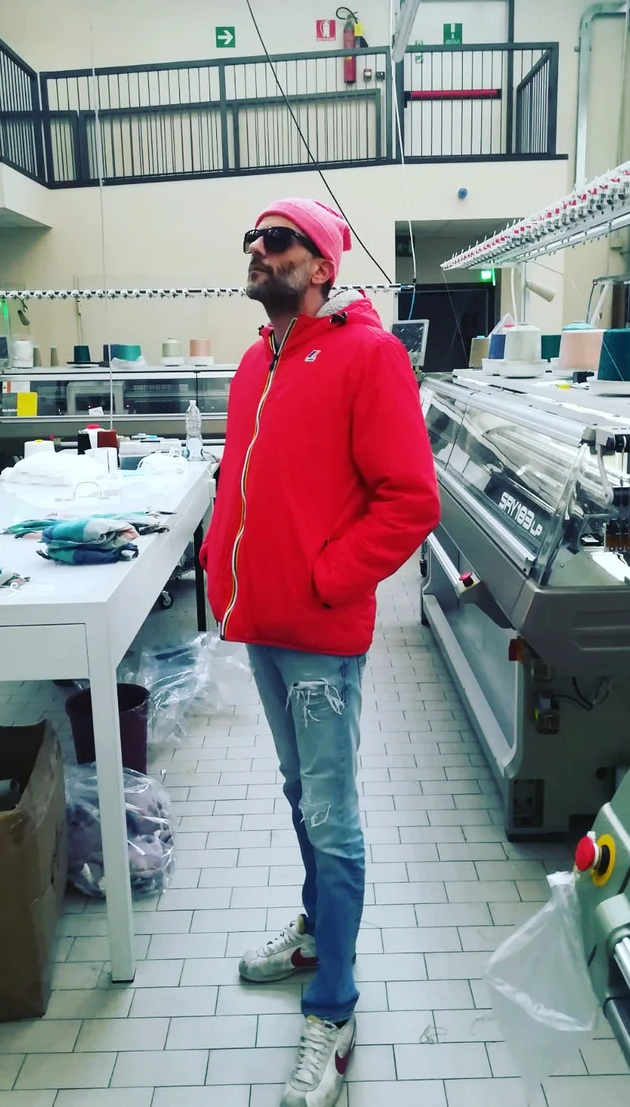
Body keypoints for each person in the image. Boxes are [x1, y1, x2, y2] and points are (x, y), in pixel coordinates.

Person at [200, 198, 440, 1107]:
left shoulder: (368, 356)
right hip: (263, 626)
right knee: (301, 790)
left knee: (333, 815)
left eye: (279, 240)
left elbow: (409, 500)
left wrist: (327, 577)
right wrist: (220, 565)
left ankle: (332, 1005)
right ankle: (315, 933)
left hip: (318, 638)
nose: (259, 251)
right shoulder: (255, 363)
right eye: (252, 240)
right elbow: (243, 480)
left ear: (323, 264)